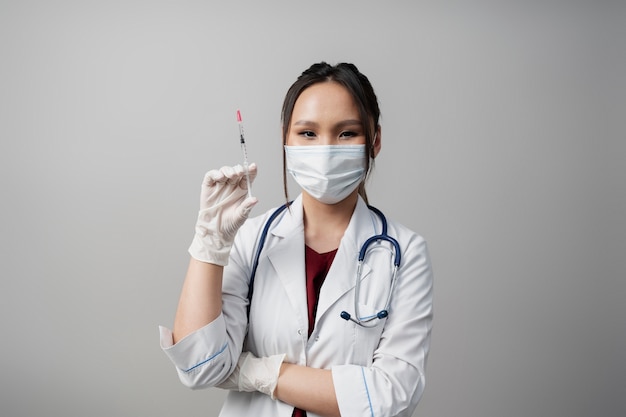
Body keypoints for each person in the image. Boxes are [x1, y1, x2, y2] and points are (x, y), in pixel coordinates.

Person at [159, 62, 434, 417]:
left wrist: (254, 372)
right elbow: (199, 367)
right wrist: (208, 243)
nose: (326, 149)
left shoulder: (405, 253)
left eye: (347, 133)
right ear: (285, 140)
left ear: (375, 141)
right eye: (308, 133)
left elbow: (391, 397)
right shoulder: (251, 239)